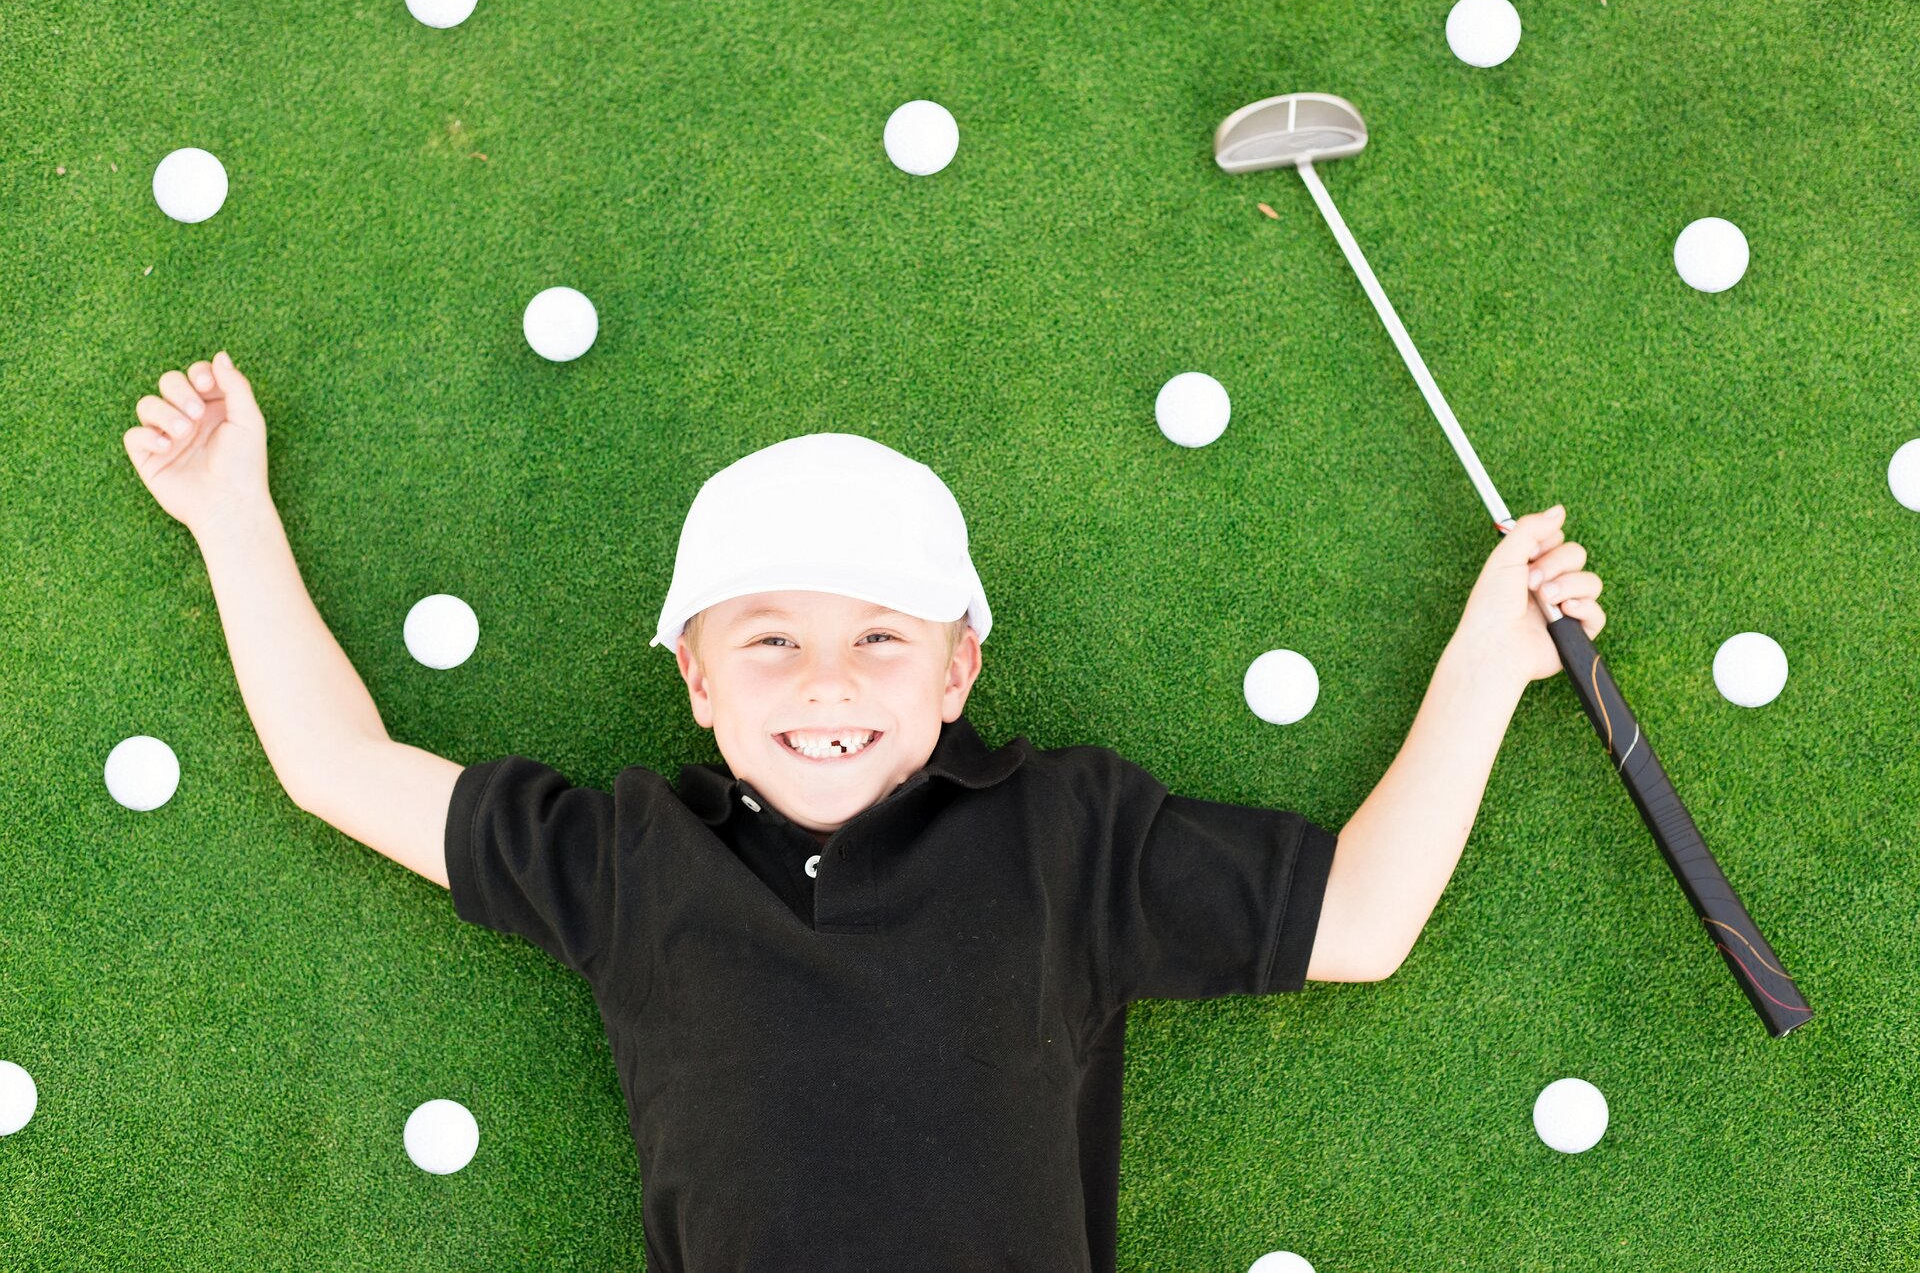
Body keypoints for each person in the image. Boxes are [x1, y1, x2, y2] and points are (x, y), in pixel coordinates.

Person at [124, 353, 1607, 1271]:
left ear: (958, 666)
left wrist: (1486, 662)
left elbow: (1358, 914)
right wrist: (229, 511)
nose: (826, 677)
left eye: (881, 637)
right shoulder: (635, 859)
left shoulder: (1063, 833)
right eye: (767, 636)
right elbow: (338, 765)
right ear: (694, 677)